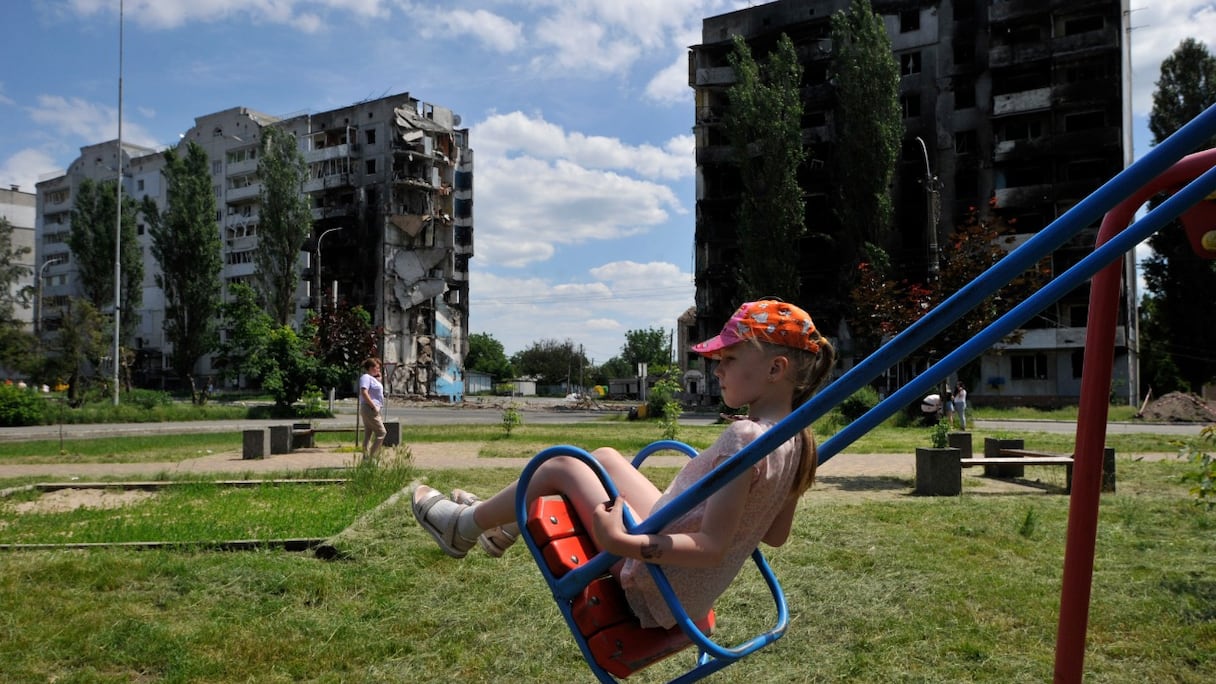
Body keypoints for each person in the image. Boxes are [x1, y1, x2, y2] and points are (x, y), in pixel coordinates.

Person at [411, 300, 836, 629]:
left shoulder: (745, 438)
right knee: (605, 459)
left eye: (730, 359)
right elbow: (776, 535)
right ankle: (505, 525)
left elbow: (711, 548)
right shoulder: (799, 440)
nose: (716, 369)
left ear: (776, 368)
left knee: (563, 464)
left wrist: (622, 543)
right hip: (684, 585)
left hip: (655, 585)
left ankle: (461, 527)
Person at [358, 357, 387, 461]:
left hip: (371, 408)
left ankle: (365, 459)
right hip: (370, 408)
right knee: (382, 433)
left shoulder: (372, 379)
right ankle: (372, 457)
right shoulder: (366, 377)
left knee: (368, 433)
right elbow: (364, 392)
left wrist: (378, 380)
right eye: (377, 368)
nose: (379, 370)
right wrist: (373, 406)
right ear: (370, 368)